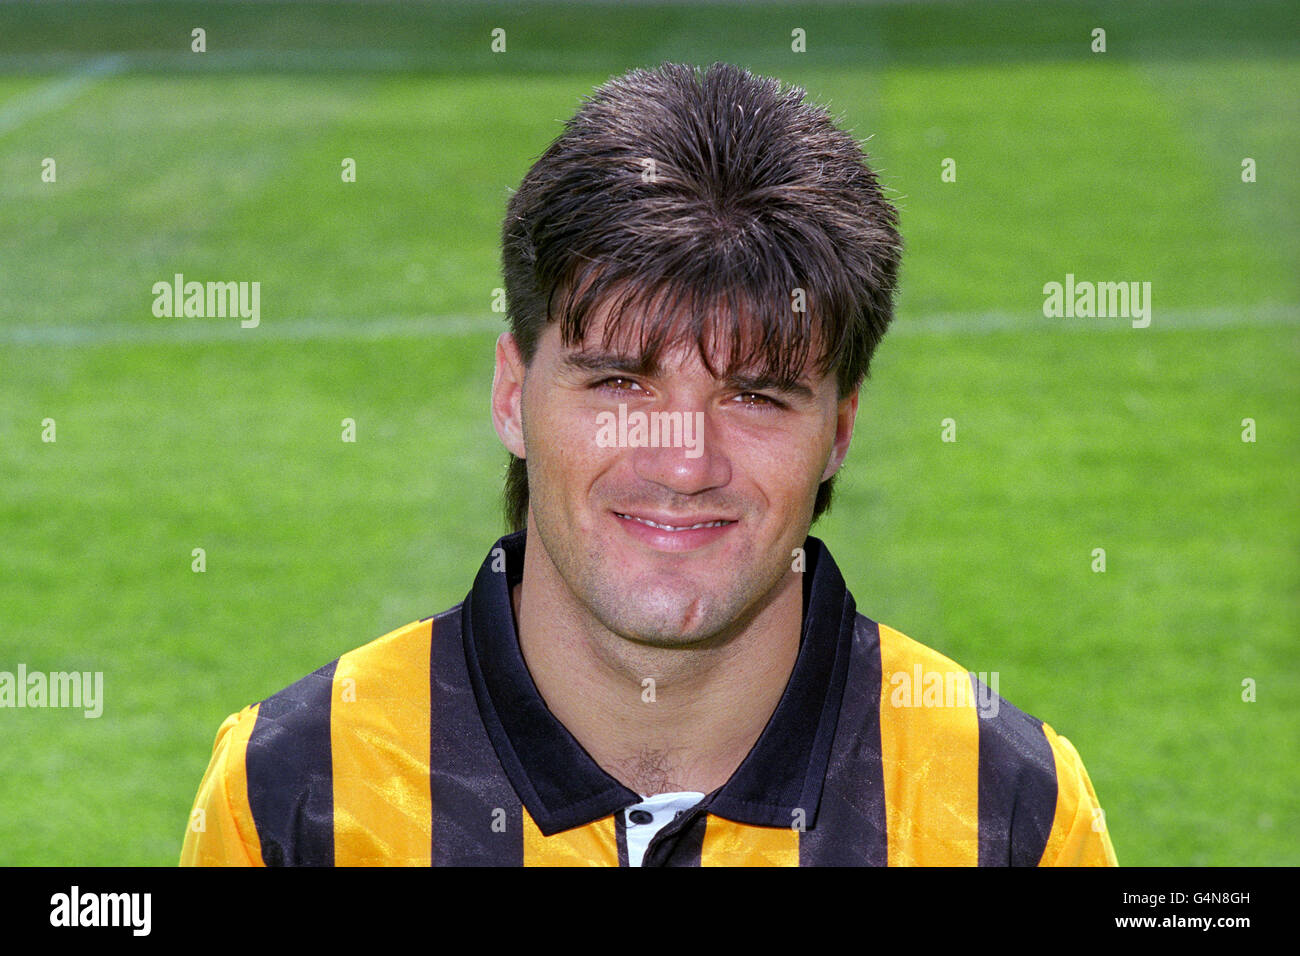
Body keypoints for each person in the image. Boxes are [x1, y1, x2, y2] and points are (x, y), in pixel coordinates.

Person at [181, 61, 1116, 867]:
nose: (684, 463)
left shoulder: (1011, 813)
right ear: (513, 396)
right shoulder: (293, 793)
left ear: (839, 430)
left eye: (756, 395)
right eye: (621, 383)